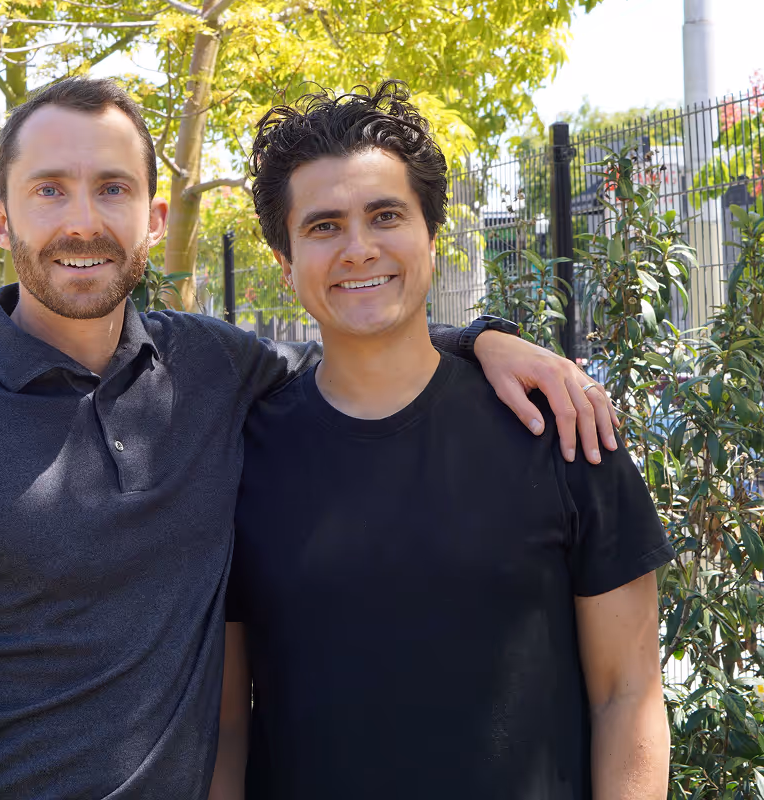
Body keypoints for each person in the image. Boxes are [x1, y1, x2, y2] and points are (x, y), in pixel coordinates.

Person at [0, 76, 621, 799]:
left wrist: (484, 338)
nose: (84, 221)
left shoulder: (211, 367)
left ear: (154, 218)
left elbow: (361, 333)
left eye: (113, 189)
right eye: (50, 192)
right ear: (0, 219)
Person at [212, 82, 672, 800]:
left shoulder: (558, 426)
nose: (359, 249)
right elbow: (229, 728)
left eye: (385, 215)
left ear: (432, 235)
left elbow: (629, 693)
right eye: (324, 226)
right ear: (284, 261)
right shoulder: (242, 455)